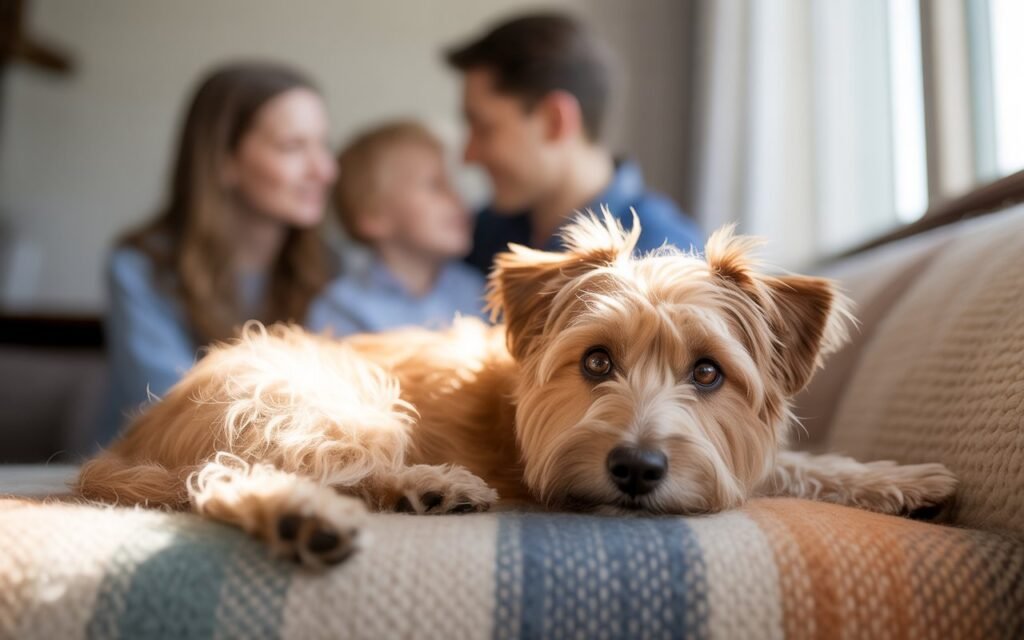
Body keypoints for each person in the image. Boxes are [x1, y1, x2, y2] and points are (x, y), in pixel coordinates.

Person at [101, 61, 338, 442]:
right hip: (144, 473)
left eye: (324, 145)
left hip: (279, 463)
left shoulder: (335, 269)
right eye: (293, 147)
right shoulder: (142, 267)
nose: (325, 170)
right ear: (223, 161)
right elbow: (166, 410)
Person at [445, 13, 704, 274]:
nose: (468, 155)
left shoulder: (662, 258)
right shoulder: (481, 233)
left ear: (554, 120)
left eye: (485, 129)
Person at [307, 121, 485, 336]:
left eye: (452, 184)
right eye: (435, 185)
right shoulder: (342, 309)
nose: (456, 196)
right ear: (374, 216)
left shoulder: (480, 294)